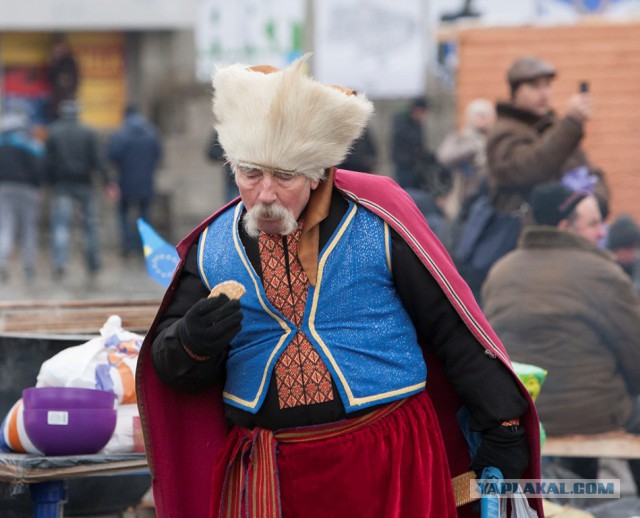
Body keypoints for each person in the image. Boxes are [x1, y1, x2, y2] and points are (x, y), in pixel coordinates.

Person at [136, 57, 541, 518]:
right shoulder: (212, 247)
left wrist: (503, 425)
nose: (265, 194)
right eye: (250, 174)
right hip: (272, 478)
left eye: (284, 176)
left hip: (387, 459)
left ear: (316, 172)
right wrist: (192, 341)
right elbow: (169, 364)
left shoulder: (377, 221)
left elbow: (450, 325)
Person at [482, 182, 640, 492]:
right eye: (594, 224)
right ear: (565, 227)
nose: (601, 233)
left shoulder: (500, 272)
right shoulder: (602, 272)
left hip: (520, 415)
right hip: (590, 416)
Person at [487, 55, 608, 216]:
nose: (544, 94)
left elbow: (590, 174)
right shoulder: (504, 132)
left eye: (547, 86)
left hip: (569, 232)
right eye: (534, 87)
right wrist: (571, 123)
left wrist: (595, 203)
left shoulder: (556, 128)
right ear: (515, 92)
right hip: (528, 235)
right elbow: (530, 168)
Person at [45, 100, 114, 279]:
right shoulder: (88, 132)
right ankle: (92, 262)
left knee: (61, 225)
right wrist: (108, 182)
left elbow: (47, 161)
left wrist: (49, 182)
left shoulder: (54, 131)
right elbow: (98, 160)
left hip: (62, 185)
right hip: (85, 184)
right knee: (90, 225)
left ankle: (60, 263)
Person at [107, 104, 163, 257]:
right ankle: (144, 246)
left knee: (123, 213)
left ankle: (128, 246)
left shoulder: (121, 134)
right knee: (145, 213)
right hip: (146, 182)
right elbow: (159, 155)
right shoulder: (152, 133)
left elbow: (112, 155)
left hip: (126, 181)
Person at [0, 111, 45, 282]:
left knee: (5, 227)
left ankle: (2, 262)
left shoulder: (1, 143)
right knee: (29, 229)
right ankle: (28, 266)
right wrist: (38, 186)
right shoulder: (30, 143)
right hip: (28, 190)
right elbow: (38, 167)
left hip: (4, 189)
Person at [437, 98, 496, 220]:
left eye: (486, 115)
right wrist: (470, 149)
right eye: (479, 115)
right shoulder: (461, 138)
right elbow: (444, 156)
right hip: (464, 194)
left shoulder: (495, 139)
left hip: (491, 195)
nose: (482, 119)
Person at [48, 33, 80, 121]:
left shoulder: (69, 62)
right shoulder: (54, 62)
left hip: (67, 102)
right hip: (56, 103)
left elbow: (70, 82)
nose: (56, 50)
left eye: (59, 47)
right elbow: (50, 79)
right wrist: (54, 61)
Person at [606, 214, 640, 291]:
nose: (633, 252)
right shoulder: (604, 268)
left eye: (635, 247)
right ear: (615, 250)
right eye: (628, 248)